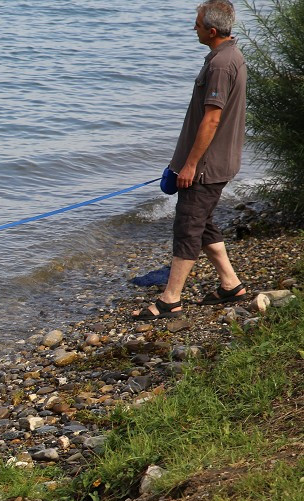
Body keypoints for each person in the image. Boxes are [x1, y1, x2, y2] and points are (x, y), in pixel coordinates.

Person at [133, 0, 248, 321]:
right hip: (212, 162)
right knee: (202, 222)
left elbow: (211, 121)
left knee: (187, 227)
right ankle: (231, 284)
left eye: (196, 24)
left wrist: (190, 164)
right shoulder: (226, 57)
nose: (193, 28)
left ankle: (171, 299)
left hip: (206, 166)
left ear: (212, 31)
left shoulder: (221, 65)